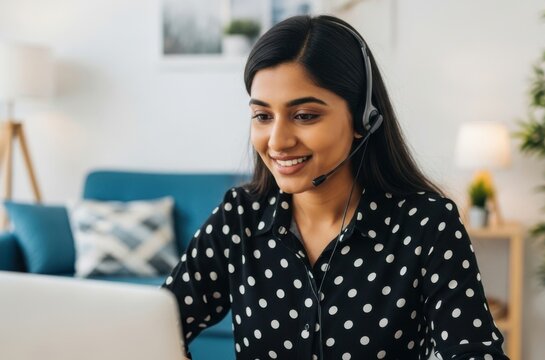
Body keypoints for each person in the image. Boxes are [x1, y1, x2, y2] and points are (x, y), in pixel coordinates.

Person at [162, 14, 509, 360]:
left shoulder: (426, 224)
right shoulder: (239, 217)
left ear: (363, 120)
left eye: (305, 116)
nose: (278, 142)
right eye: (263, 116)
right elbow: (156, 327)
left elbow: (475, 353)